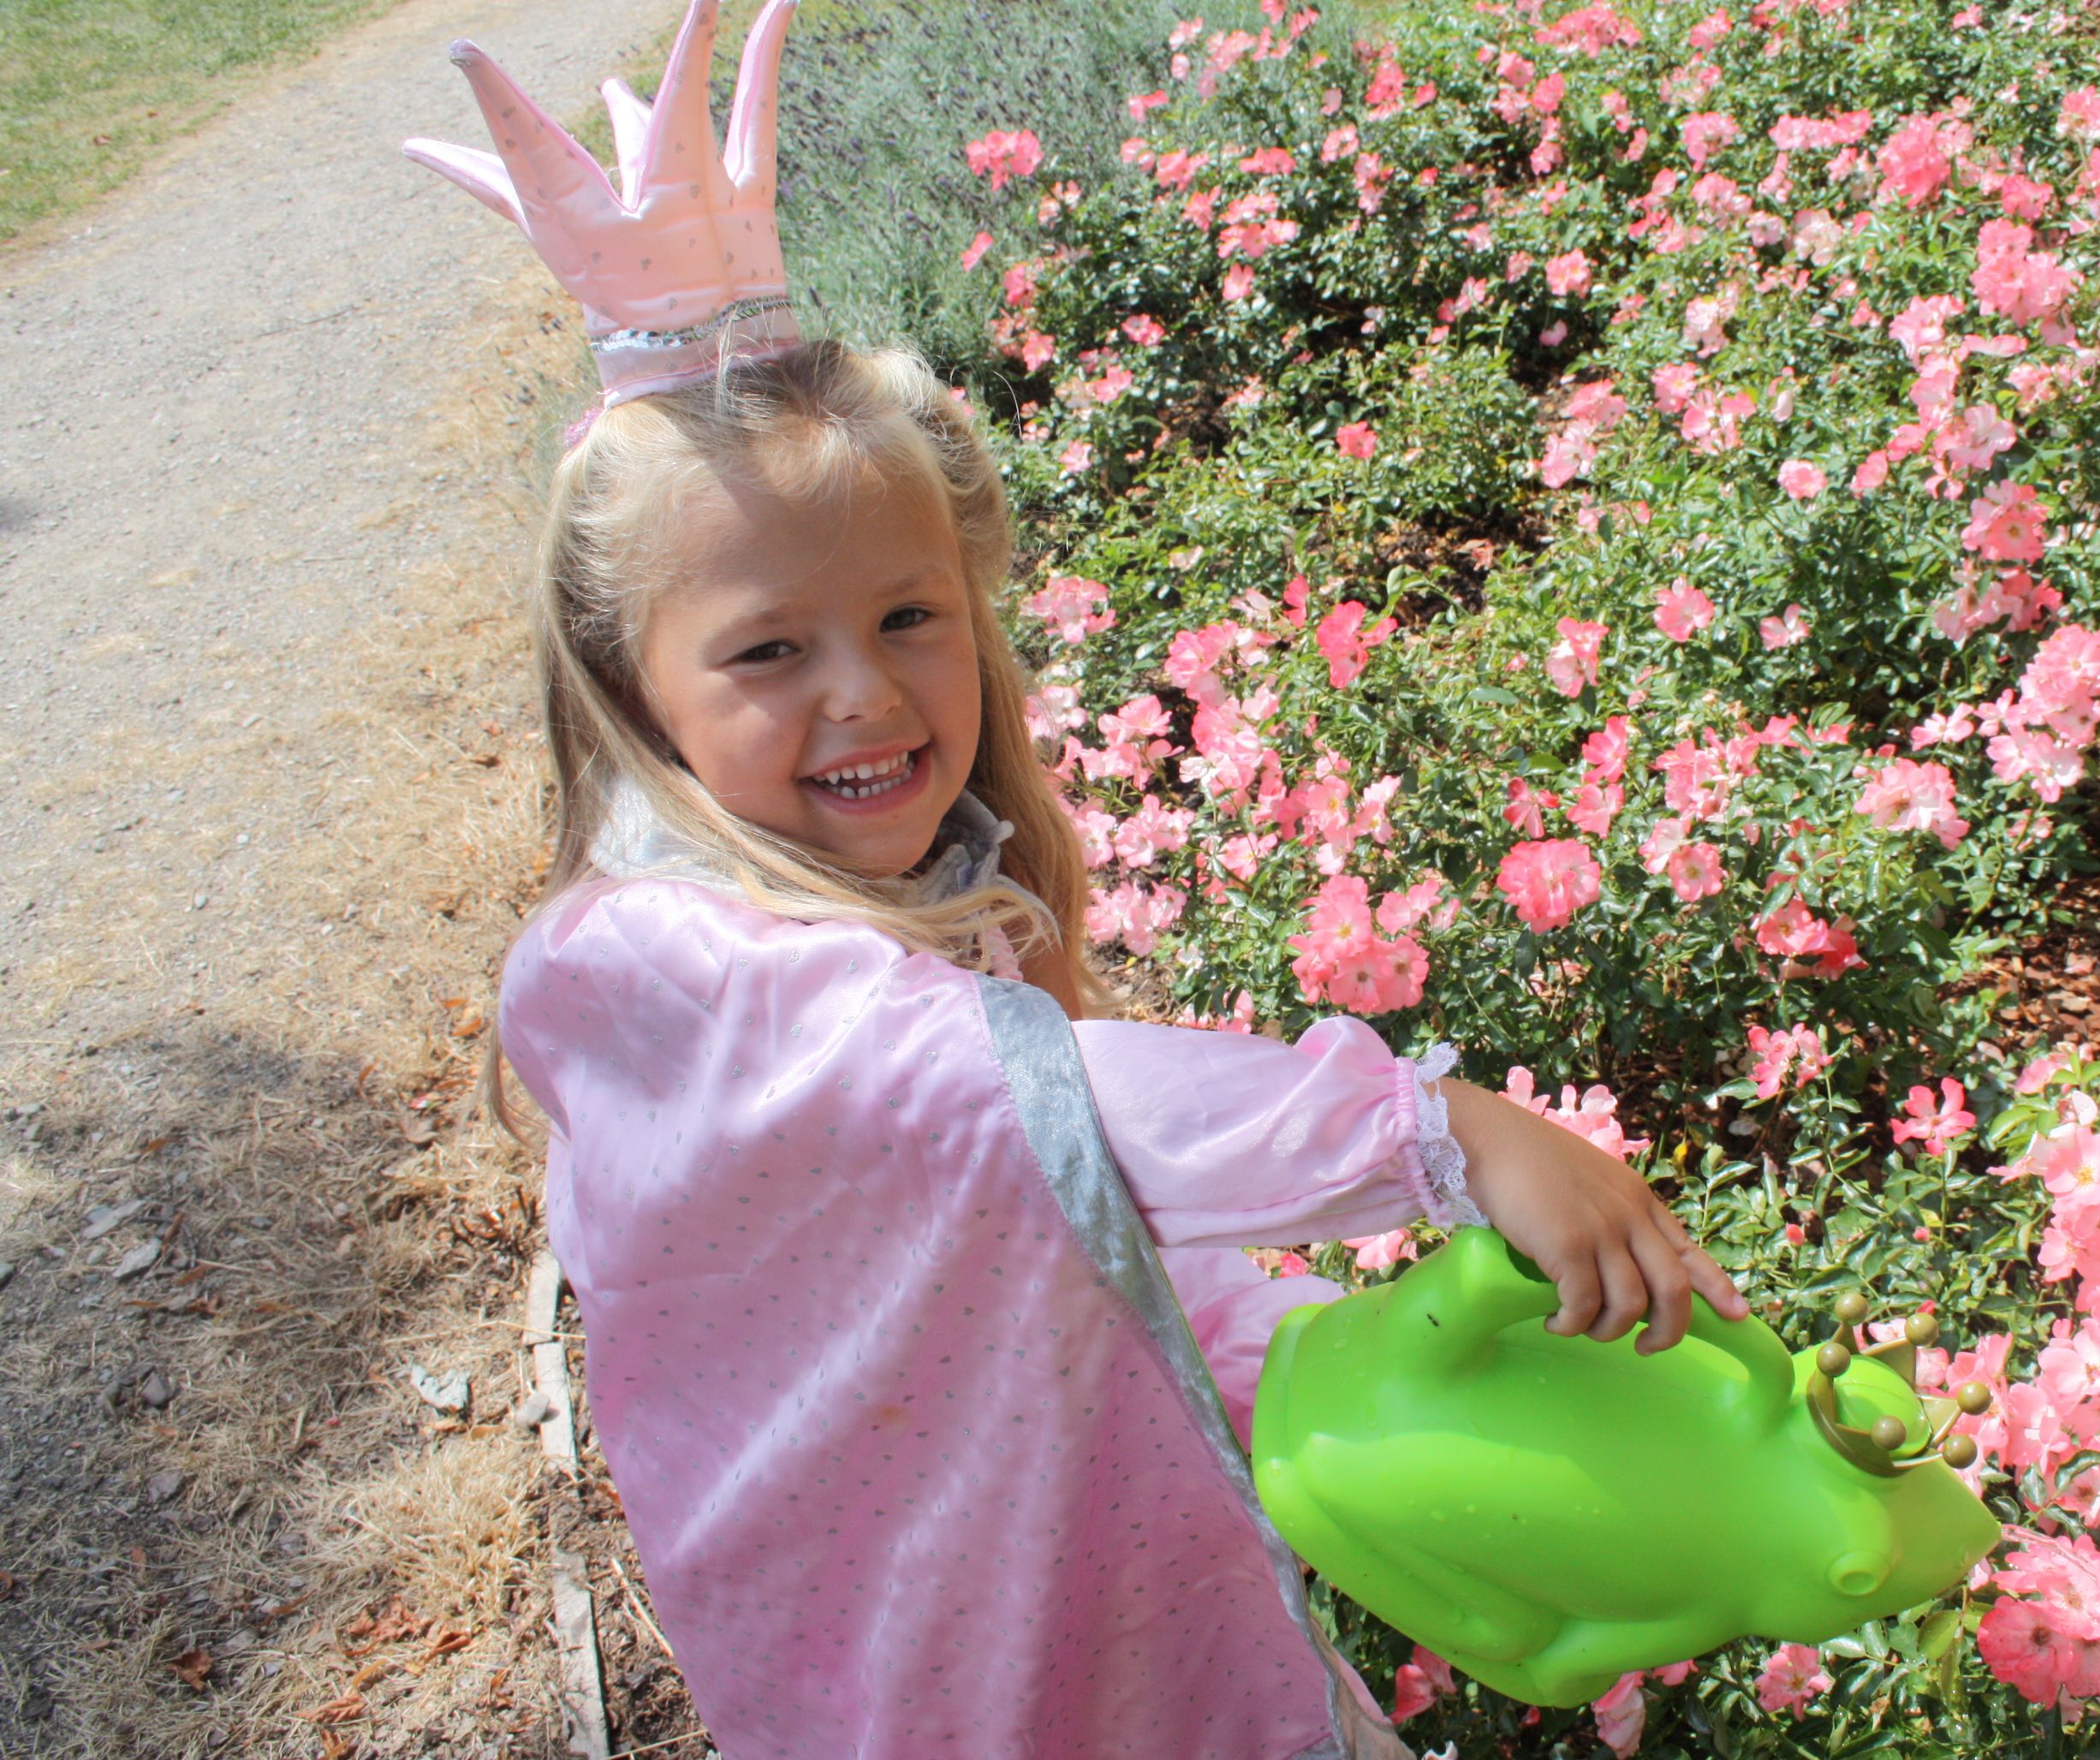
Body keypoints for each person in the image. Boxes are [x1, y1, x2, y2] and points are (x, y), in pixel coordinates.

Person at [409, 3, 1749, 1754]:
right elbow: (1042, 1111)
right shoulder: (663, 970)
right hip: (920, 1671)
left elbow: (1059, 1232)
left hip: (1070, 1572)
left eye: (909, 615)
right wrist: (1441, 1131)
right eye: (765, 650)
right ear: (631, 682)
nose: (865, 691)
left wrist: (1300, 1371)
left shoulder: (874, 905)